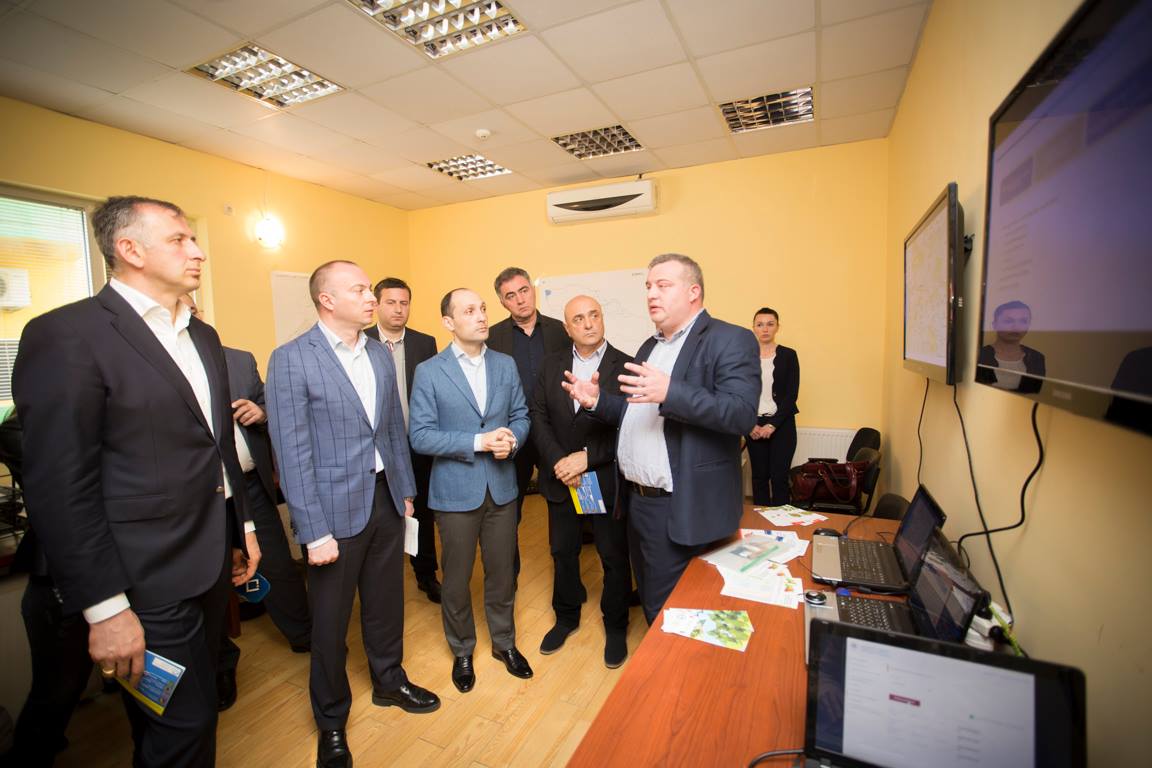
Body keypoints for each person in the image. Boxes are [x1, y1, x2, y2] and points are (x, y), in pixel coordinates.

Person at [11, 195, 259, 768]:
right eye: (179, 239)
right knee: (183, 727)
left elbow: (216, 445)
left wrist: (239, 527)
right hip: (139, 580)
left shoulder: (202, 336)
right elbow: (60, 487)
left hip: (206, 563)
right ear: (130, 250)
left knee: (174, 721)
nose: (197, 251)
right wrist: (104, 608)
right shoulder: (68, 335)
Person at [266, 261, 439, 768]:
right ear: (327, 300)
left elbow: (391, 429)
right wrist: (311, 529)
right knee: (329, 622)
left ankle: (389, 681)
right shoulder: (292, 359)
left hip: (385, 498)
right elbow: (291, 454)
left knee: (387, 602)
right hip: (332, 512)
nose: (371, 298)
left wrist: (405, 491)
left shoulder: (379, 353)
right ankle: (331, 719)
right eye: (359, 290)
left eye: (370, 289)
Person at [563, 254, 760, 624]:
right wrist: (598, 401)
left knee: (675, 614)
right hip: (637, 502)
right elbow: (635, 414)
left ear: (693, 292)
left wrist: (672, 391)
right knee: (656, 602)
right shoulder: (649, 347)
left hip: (683, 502)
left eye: (663, 285)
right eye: (649, 286)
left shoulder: (729, 339)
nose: (652, 294)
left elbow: (741, 413)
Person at [409, 288, 533, 694]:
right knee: (457, 578)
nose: (481, 316)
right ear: (449, 322)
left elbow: (521, 415)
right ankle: (462, 649)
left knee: (502, 573)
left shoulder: (505, 364)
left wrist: (512, 439)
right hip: (455, 493)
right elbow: (420, 435)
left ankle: (504, 643)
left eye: (482, 308)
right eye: (469, 311)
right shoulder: (430, 371)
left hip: (501, 489)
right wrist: (479, 442)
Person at [530, 295, 633, 668]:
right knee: (563, 551)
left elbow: (630, 425)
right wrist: (560, 461)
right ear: (567, 327)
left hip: (603, 478)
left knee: (612, 556)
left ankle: (616, 626)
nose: (589, 324)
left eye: (594, 315)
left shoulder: (627, 365)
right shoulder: (551, 364)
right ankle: (566, 617)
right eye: (579, 318)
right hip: (562, 478)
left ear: (602, 319)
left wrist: (588, 458)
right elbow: (538, 416)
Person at [487, 267, 569, 577]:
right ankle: (508, 579)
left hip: (555, 431)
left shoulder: (561, 330)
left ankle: (567, 581)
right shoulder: (492, 337)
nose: (520, 300)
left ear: (532, 290)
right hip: (513, 433)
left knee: (562, 507)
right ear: (502, 302)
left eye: (524, 291)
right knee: (509, 511)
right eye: (511, 296)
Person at [365, 277, 442, 603]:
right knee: (380, 514)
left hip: (417, 445)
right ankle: (379, 581)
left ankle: (426, 574)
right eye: (391, 302)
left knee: (422, 513)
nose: (398, 309)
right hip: (376, 449)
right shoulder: (362, 341)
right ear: (376, 305)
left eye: (404, 303)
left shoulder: (425, 343)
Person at [745, 307, 800, 506]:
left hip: (782, 424)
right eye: (760, 325)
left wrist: (772, 425)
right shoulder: (744, 357)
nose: (765, 329)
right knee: (759, 478)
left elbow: (791, 395)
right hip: (753, 425)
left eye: (770, 324)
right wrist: (749, 424)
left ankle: (781, 522)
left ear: (777, 327)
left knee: (779, 478)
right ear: (753, 328)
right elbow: (738, 394)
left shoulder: (789, 355)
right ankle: (759, 522)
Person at [976, 300, 1046, 393]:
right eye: (1008, 321)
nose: (1016, 327)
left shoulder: (1036, 358)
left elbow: (1034, 393)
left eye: (1023, 321)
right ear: (995, 325)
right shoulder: (980, 355)